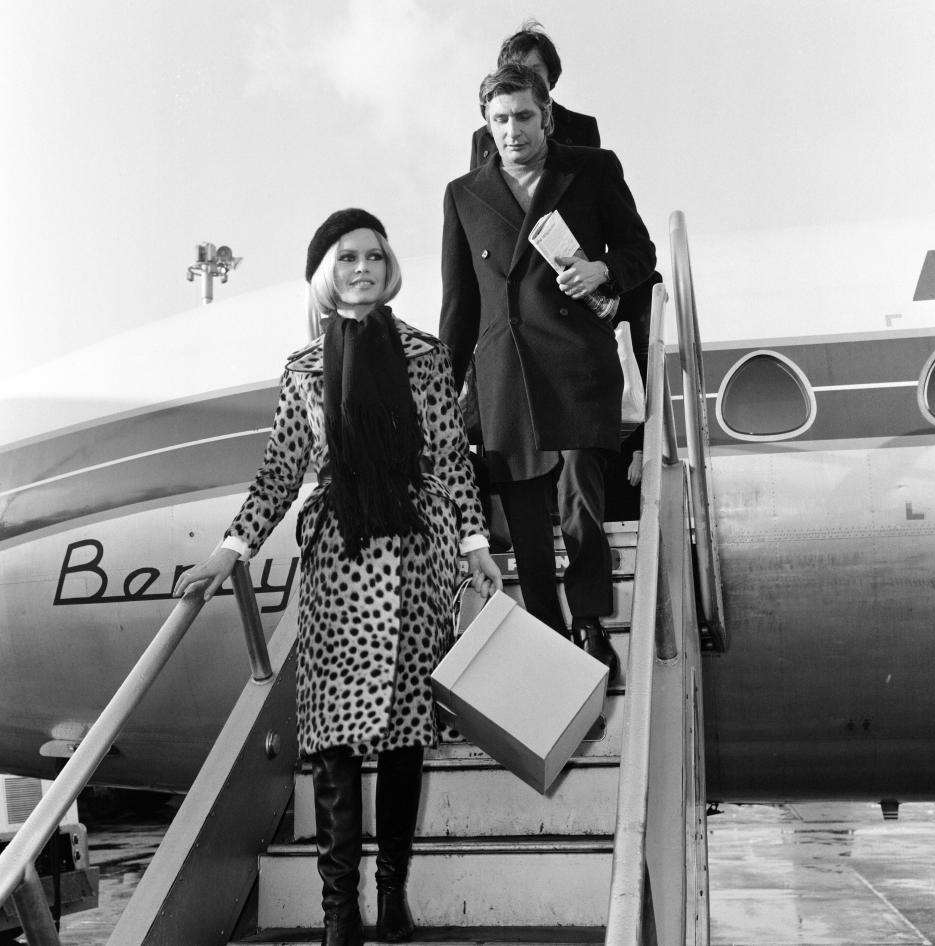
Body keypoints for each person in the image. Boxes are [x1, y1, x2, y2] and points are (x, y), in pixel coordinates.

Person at [175, 208, 502, 946]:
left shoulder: (425, 355)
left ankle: (390, 898)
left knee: (403, 735)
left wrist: (475, 542)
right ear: (327, 272)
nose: (363, 268)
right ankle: (337, 910)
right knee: (331, 738)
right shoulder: (301, 370)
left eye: (375, 257)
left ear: (390, 270)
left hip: (417, 554)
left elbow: (450, 457)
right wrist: (231, 548)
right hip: (338, 561)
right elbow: (280, 473)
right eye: (348, 257)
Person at [440, 64, 657, 682]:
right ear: (487, 123)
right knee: (528, 520)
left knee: (581, 493)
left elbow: (642, 252)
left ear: (547, 115)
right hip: (505, 370)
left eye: (524, 117)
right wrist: (440, 393)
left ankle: (591, 626)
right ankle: (548, 632)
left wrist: (602, 271)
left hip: (577, 361)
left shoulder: (591, 169)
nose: (513, 131)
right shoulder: (463, 193)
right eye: (500, 119)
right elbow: (458, 307)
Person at [469, 20, 600, 168]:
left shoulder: (582, 128)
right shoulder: (482, 139)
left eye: (534, 71)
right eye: (516, 72)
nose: (526, 80)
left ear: (550, 74)